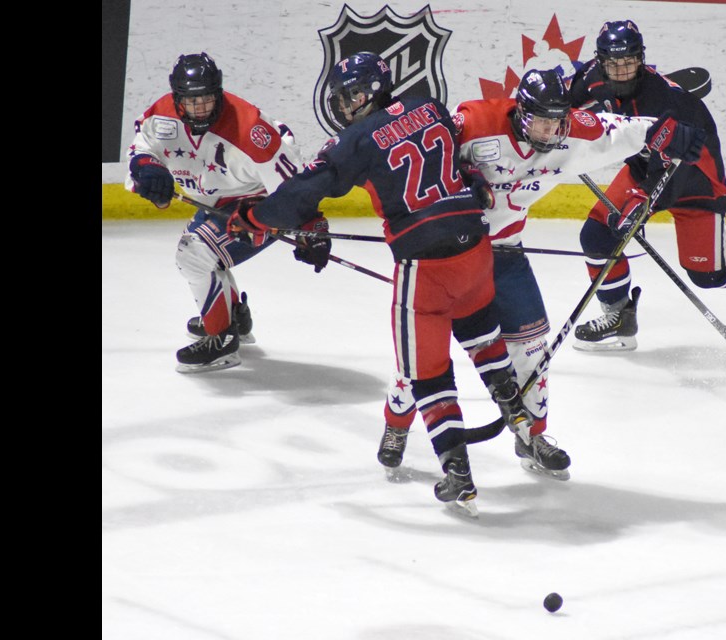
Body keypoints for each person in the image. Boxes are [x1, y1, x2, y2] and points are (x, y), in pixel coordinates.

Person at [227, 52, 536, 517]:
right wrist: (472, 187)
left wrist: (253, 216)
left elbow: (299, 195)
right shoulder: (430, 106)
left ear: (375, 88)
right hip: (475, 247)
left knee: (427, 373)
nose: (347, 104)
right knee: (481, 330)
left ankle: (459, 473)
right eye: (343, 96)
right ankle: (514, 406)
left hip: (424, 263)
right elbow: (458, 159)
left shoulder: (353, 140)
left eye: (353, 93)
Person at [377, 68, 705, 480]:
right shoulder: (475, 122)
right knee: (424, 355)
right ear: (520, 112)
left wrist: (668, 133)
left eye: (558, 121)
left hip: (506, 254)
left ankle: (532, 436)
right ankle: (397, 423)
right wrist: (464, 180)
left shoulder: (574, 133)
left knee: (532, 349)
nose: (551, 132)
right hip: (447, 254)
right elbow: (426, 155)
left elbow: (624, 130)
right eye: (541, 121)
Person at [568, 20, 726, 352]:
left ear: (641, 59)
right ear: (601, 61)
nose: (621, 70)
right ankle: (620, 317)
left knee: (707, 276)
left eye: (629, 62)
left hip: (694, 183)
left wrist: (641, 203)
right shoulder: (594, 77)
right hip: (644, 170)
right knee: (596, 235)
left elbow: (674, 169)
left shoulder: (664, 101)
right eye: (613, 63)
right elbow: (564, 99)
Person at [126, 52, 322, 373]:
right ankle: (235, 321)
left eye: (206, 99)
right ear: (178, 99)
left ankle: (222, 343)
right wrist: (147, 169)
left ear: (218, 94)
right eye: (191, 102)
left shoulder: (250, 131)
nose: (200, 108)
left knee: (193, 255)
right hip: (216, 201)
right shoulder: (162, 116)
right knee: (202, 254)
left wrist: (308, 228)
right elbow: (142, 147)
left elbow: (293, 188)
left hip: (259, 203)